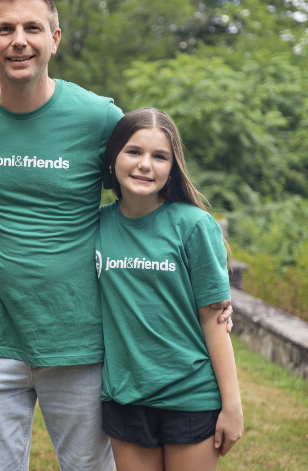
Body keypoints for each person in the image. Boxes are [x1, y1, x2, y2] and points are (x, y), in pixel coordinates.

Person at [0, 0, 232, 471]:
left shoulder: (98, 117)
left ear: (54, 38)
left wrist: (204, 281)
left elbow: (147, 187)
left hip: (80, 340)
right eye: (5, 29)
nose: (19, 40)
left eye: (33, 28)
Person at [97, 108, 243, 471]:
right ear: (114, 155)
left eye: (159, 156)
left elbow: (214, 321)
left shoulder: (194, 225)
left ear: (172, 166)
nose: (145, 165)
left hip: (191, 396)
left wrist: (232, 406)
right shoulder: (95, 225)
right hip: (125, 396)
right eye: (134, 152)